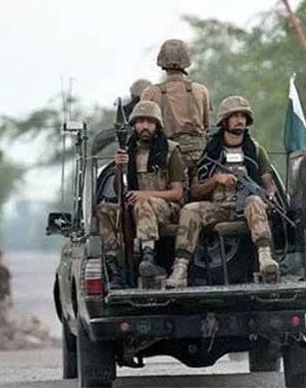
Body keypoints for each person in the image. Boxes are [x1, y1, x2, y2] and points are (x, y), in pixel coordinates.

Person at [165, 96, 279, 288]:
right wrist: (216, 180)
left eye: (243, 116)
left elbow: (268, 182)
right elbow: (195, 190)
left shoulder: (255, 150)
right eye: (234, 116)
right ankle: (180, 269)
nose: (239, 120)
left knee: (255, 201)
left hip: (246, 209)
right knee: (190, 210)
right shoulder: (210, 151)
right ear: (224, 121)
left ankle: (265, 259)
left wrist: (268, 195)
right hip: (218, 207)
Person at [97, 100, 185, 288]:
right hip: (135, 206)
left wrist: (145, 195)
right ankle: (114, 268)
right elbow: (120, 190)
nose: (145, 126)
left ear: (157, 125)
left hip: (166, 209)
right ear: (134, 125)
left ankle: (148, 256)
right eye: (140, 121)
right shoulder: (128, 151)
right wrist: (120, 167)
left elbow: (177, 193)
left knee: (142, 203)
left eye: (149, 122)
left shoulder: (171, 151)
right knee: (104, 210)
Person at [141, 39, 211, 187]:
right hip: (199, 156)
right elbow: (206, 126)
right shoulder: (201, 90)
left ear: (161, 60)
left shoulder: (151, 92)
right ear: (186, 60)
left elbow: (143, 127)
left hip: (167, 156)